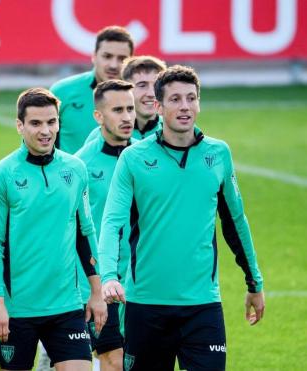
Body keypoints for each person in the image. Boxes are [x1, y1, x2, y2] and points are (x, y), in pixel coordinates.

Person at [99, 65, 265, 371]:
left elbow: (235, 221)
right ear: (159, 107)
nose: (185, 106)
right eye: (175, 99)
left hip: (202, 305)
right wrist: (109, 275)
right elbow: (113, 222)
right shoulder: (133, 158)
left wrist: (254, 281)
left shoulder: (218, 154)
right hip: (146, 305)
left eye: (191, 98)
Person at [0, 87, 107, 371]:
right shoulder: (2, 175)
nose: (45, 131)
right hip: (17, 309)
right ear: (19, 126)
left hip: (66, 306)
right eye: (36, 123)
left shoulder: (75, 169)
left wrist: (96, 292)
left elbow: (85, 232)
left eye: (51, 122)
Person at [75, 80, 137, 371]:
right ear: (99, 116)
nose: (126, 117)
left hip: (142, 279)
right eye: (117, 110)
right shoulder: (80, 165)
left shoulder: (146, 157)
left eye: (130, 108)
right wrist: (89, 286)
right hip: (100, 280)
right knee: (112, 360)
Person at [51, 26, 134, 153]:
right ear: (94, 56)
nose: (113, 65)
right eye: (107, 56)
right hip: (71, 173)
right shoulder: (62, 91)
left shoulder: (140, 96)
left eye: (122, 59)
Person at [84, 56, 166, 144]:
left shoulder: (172, 131)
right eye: (142, 85)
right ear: (126, 89)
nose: (151, 93)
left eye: (156, 86)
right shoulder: (100, 135)